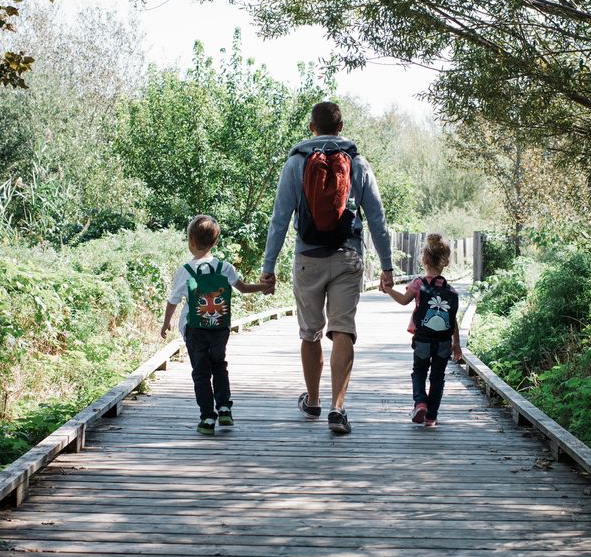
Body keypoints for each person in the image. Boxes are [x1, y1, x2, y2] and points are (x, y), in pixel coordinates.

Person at [260, 100, 393, 435]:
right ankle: (338, 407)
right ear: (341, 126)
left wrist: (268, 267)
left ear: (311, 127)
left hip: (307, 258)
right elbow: (377, 219)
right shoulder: (357, 162)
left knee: (310, 332)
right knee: (343, 329)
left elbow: (279, 219)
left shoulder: (296, 163)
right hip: (348, 256)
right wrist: (388, 266)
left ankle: (314, 402)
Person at [161, 215, 271, 436]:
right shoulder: (225, 267)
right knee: (219, 365)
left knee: (201, 373)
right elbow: (243, 287)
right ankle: (224, 408)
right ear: (215, 242)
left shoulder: (186, 271)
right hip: (220, 327)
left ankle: (207, 419)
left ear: (191, 240)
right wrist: (263, 286)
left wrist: (166, 324)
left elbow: (173, 301)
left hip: (195, 330)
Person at [383, 234, 463, 428]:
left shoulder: (418, 284)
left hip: (423, 340)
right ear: (445, 262)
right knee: (437, 378)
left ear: (424, 259)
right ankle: (431, 417)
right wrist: (457, 344)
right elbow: (452, 320)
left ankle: (420, 403)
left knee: (419, 372)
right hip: (444, 342)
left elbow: (403, 300)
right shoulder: (451, 291)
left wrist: (388, 289)